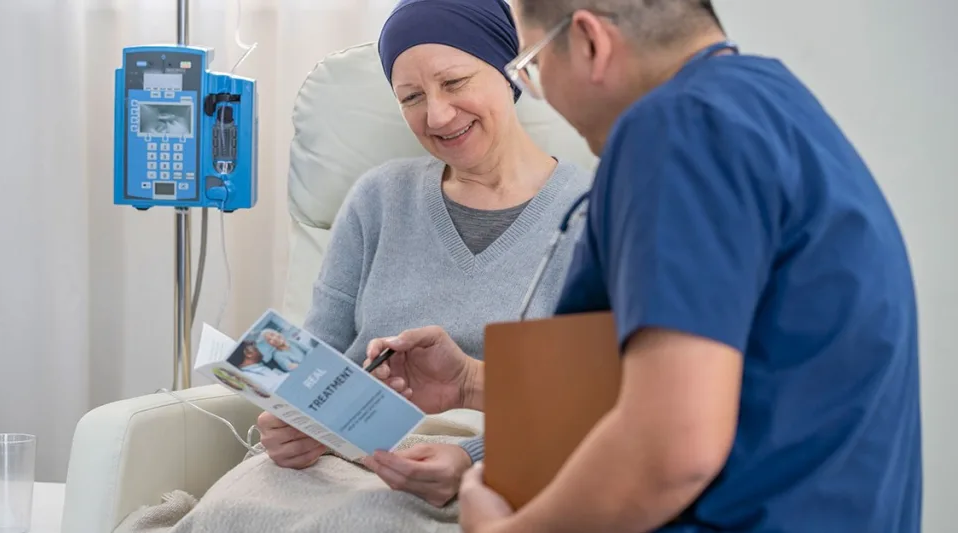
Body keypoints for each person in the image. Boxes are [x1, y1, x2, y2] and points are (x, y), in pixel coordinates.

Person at [365, 1, 923, 532]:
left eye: (532, 66)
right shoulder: (771, 103)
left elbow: (672, 447)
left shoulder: (677, 128)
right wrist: (468, 382)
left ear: (589, 40)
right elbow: (698, 381)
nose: (540, 94)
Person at [256, 0, 592, 509]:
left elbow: (597, 399)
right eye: (411, 96)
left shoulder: (593, 214)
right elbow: (315, 361)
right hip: (342, 458)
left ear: (511, 70)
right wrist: (291, 423)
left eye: (454, 82)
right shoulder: (378, 199)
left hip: (510, 463)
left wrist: (477, 457)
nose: (436, 114)